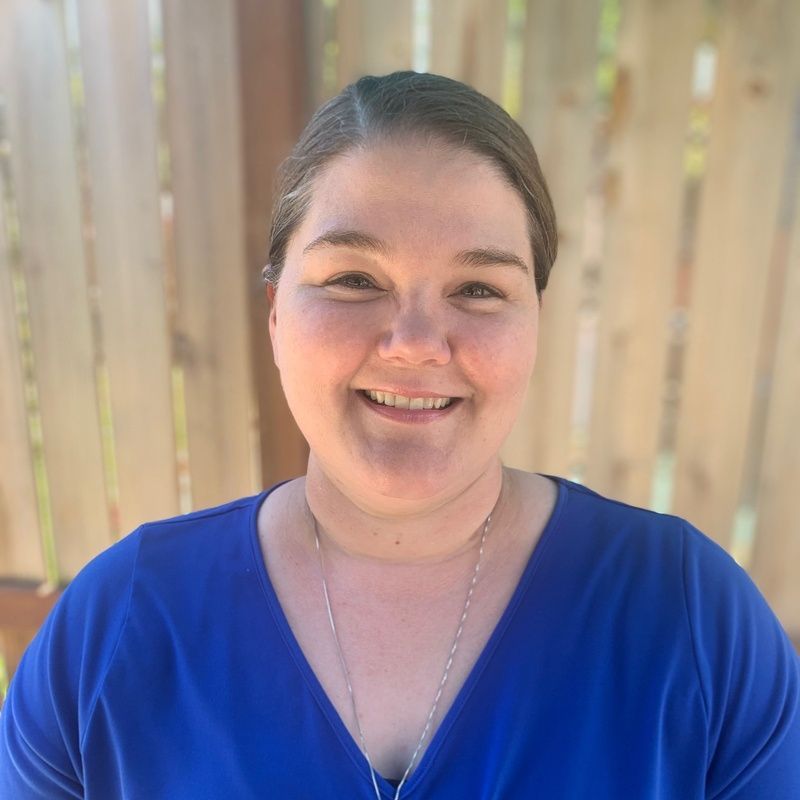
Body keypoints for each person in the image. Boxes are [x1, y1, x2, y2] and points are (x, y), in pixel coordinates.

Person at [1, 71, 798, 799]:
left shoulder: (691, 621)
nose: (415, 341)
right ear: (278, 314)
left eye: (479, 288)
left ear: (535, 326)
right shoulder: (118, 625)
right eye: (354, 280)